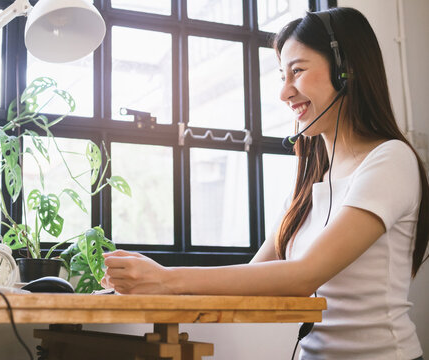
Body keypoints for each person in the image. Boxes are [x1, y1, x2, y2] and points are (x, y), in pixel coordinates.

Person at [101, 7, 427, 360]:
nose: (285, 93)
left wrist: (167, 279)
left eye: (297, 71)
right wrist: (144, 280)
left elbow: (303, 276)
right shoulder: (311, 178)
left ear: (346, 70)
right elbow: (259, 275)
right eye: (281, 76)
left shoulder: (390, 159)